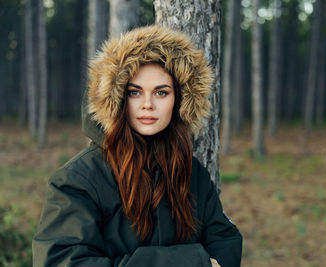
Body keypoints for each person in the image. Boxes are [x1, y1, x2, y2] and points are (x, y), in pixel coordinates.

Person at [32, 25, 242, 267]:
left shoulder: (192, 173)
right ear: (118, 97)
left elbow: (226, 241)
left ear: (179, 99)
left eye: (161, 93)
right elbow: (61, 261)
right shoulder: (78, 180)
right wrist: (193, 262)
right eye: (134, 92)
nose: (147, 104)